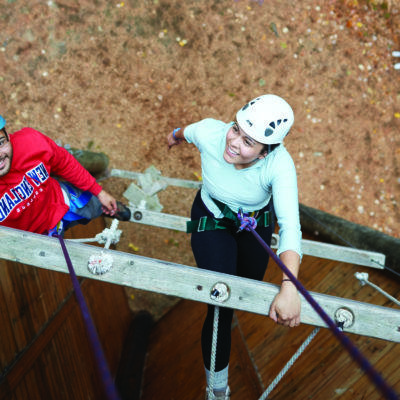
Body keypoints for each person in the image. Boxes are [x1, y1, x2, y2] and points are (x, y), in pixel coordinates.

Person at [166, 94, 302, 400]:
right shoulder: (209, 131)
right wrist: (174, 136)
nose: (234, 142)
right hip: (211, 219)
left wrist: (290, 288)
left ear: (266, 152)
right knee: (221, 305)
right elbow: (185, 132)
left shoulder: (280, 165)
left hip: (254, 224)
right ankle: (217, 390)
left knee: (246, 288)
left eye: (248, 142)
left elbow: (291, 227)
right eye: (236, 128)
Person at [0, 115, 131, 236]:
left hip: (62, 201)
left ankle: (104, 209)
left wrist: (99, 192)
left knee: (93, 205)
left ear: (8, 136)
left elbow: (63, 162)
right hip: (36, 238)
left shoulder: (31, 142)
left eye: (0, 142)